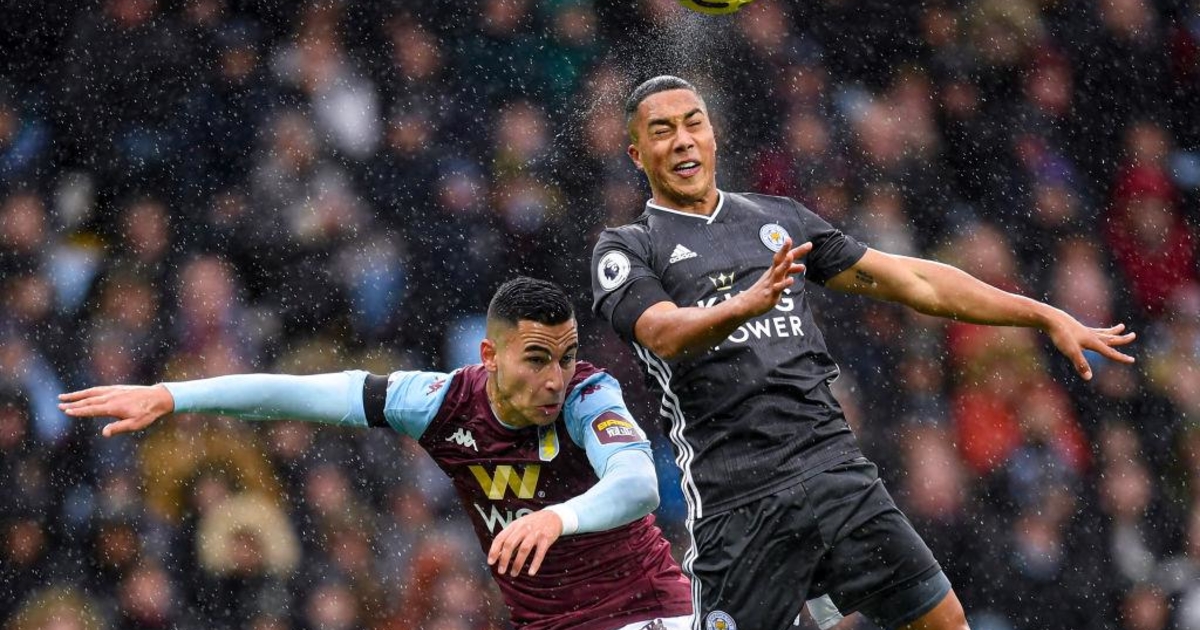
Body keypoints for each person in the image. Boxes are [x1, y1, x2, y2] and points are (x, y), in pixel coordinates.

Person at [590, 75, 1138, 630]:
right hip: (739, 500)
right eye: (662, 131)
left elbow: (915, 282)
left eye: (693, 124)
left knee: (946, 623)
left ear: (713, 135)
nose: (682, 140)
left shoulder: (777, 219)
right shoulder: (628, 247)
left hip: (835, 473)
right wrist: (745, 304)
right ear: (637, 154)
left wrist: (1041, 313)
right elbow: (662, 331)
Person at [60, 276, 693, 630]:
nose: (555, 378)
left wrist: (557, 517)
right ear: (490, 357)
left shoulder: (589, 393)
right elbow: (300, 395)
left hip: (649, 612)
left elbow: (638, 485)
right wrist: (172, 396)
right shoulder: (440, 403)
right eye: (537, 359)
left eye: (565, 356)